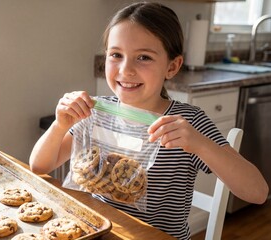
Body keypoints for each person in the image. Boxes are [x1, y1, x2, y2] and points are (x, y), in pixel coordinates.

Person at [29, 2, 269, 239]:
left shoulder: (187, 123)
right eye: (116, 55)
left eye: (143, 57)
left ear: (172, 66)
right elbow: (39, 166)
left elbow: (257, 192)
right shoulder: (96, 111)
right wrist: (60, 125)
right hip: (97, 230)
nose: (126, 69)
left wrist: (199, 144)